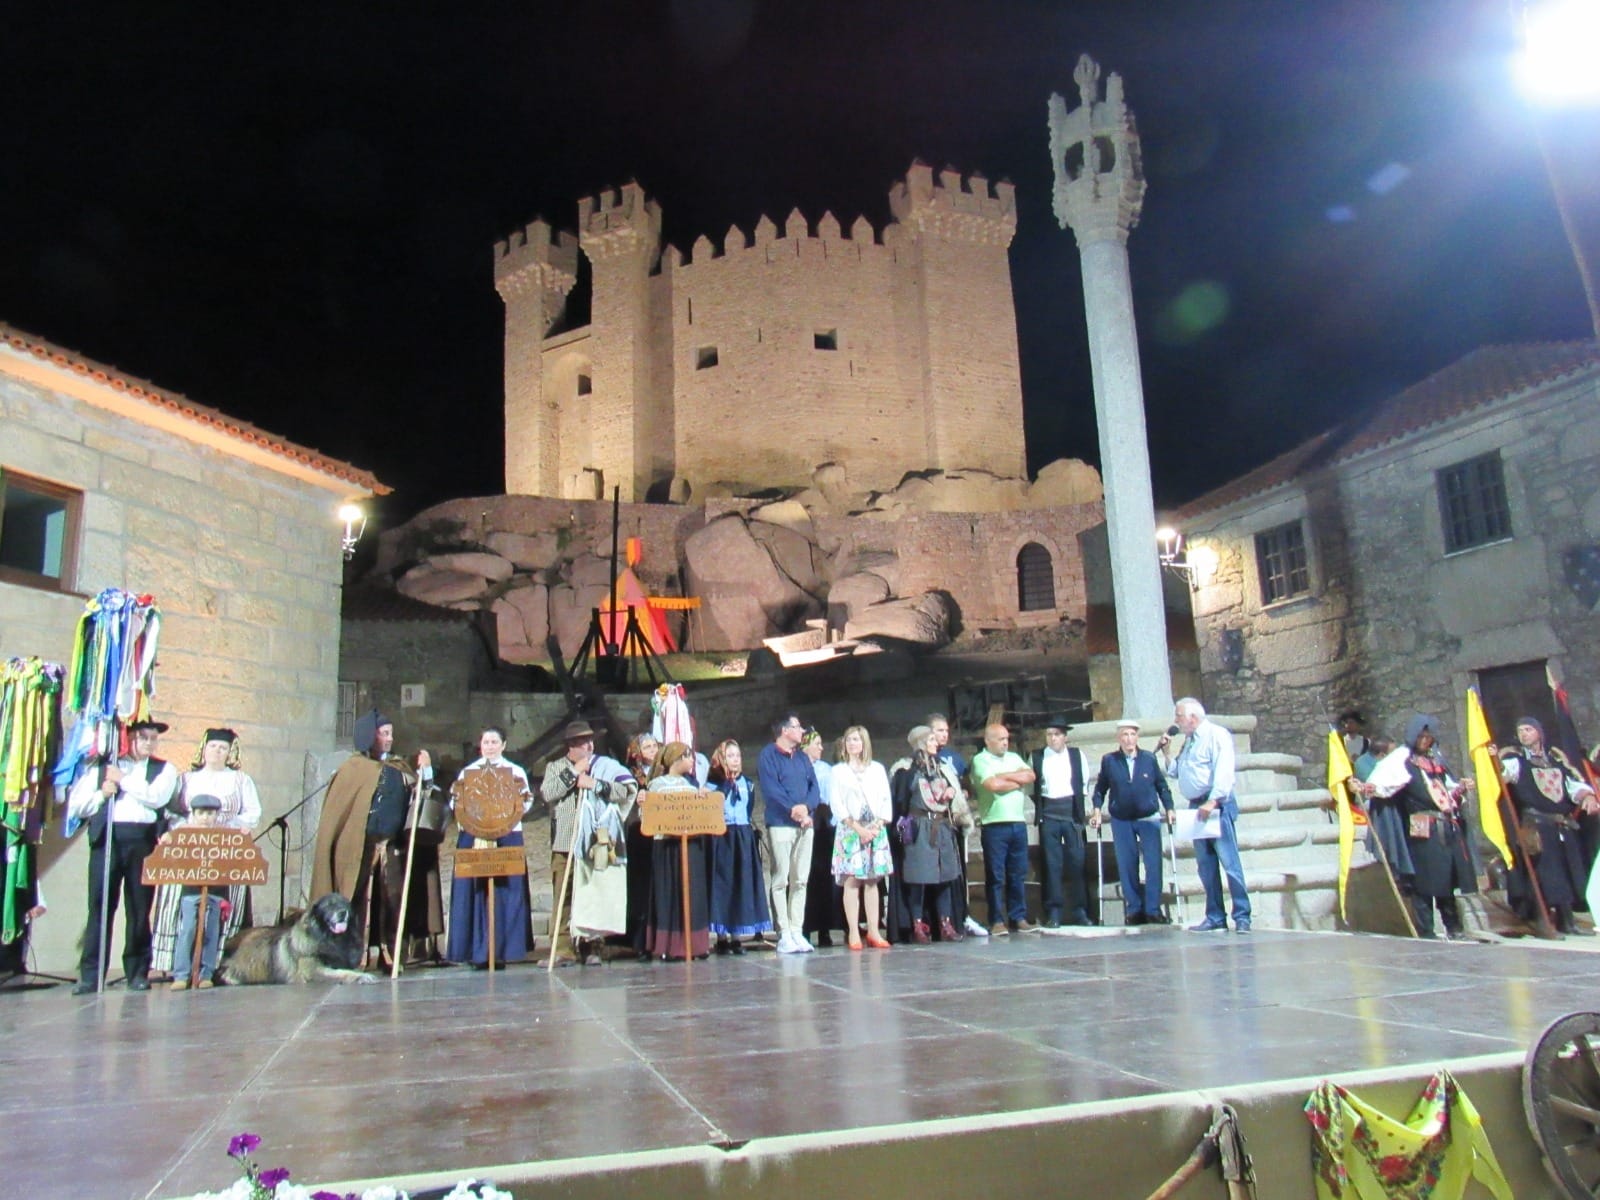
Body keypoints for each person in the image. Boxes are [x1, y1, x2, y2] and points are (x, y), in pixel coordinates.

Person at [66, 717, 182, 993]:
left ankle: (137, 971)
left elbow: (156, 797)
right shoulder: (103, 768)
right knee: (99, 907)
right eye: (143, 737)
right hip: (108, 838)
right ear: (128, 738)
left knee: (139, 908)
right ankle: (91, 974)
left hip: (142, 840)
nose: (149, 743)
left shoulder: (164, 769)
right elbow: (78, 806)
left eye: (153, 738)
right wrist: (102, 794)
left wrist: (124, 780)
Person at [310, 710, 434, 966]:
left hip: (391, 847)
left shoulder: (399, 768)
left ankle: (390, 955)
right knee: (355, 899)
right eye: (384, 734)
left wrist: (426, 771)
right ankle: (353, 954)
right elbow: (338, 815)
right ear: (370, 736)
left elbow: (422, 797)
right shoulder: (352, 769)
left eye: (391, 733)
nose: (390, 739)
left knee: (391, 902)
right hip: (358, 847)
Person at [151, 728, 262, 982]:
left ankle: (215, 966)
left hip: (224, 849)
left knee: (218, 907)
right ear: (204, 748)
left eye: (223, 748)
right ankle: (179, 967)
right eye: (213, 746)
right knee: (186, 907)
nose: (217, 751)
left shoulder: (240, 780)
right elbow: (173, 812)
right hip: (190, 850)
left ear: (230, 752)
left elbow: (252, 812)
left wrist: (230, 826)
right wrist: (187, 828)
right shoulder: (186, 779)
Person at [1364, 714, 1477, 940]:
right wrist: (1369, 788)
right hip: (1421, 829)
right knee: (1423, 882)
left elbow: (1446, 791)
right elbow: (1385, 784)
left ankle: (1453, 927)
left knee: (1446, 879)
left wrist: (1460, 789)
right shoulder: (1402, 760)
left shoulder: (1436, 762)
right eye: (1421, 736)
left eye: (1429, 736)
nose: (1425, 740)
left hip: (1445, 826)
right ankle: (1426, 931)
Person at [539, 721, 637, 966]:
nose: (590, 746)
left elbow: (623, 792)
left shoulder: (603, 767)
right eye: (584, 742)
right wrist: (574, 773)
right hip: (565, 842)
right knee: (564, 895)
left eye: (591, 741)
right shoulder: (556, 767)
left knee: (593, 894)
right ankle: (562, 948)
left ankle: (592, 945)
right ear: (572, 746)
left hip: (594, 843)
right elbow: (548, 793)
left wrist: (595, 784)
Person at [1497, 717, 1596, 935]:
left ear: (1539, 732)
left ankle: (1567, 921)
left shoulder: (1556, 761)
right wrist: (1495, 762)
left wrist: (1587, 795)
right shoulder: (1517, 762)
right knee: (1546, 875)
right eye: (1520, 731)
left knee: (1567, 871)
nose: (1524, 734)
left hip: (1561, 825)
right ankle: (1544, 921)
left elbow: (1574, 785)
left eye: (1528, 729)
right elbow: (1501, 775)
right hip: (1537, 827)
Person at [446, 727, 535, 967]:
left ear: (503, 745)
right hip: (475, 835)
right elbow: (456, 802)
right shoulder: (468, 772)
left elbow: (526, 801)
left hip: (507, 834)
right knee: (475, 892)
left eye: (495, 742)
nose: (490, 746)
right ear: (480, 745)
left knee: (506, 892)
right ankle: (474, 949)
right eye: (486, 742)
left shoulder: (515, 772)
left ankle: (505, 948)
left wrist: (504, 815)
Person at [1162, 698, 1252, 933]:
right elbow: (1177, 771)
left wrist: (1213, 800)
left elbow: (1224, 769)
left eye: (1179, 716)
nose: (1176, 721)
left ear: (1193, 717)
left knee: (1229, 863)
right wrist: (1167, 752)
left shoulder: (1216, 735)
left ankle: (1242, 915)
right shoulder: (1189, 741)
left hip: (1215, 805)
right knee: (1205, 865)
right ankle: (1215, 916)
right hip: (1197, 807)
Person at [1090, 719, 1175, 927]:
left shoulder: (1148, 758)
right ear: (1119, 738)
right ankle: (1134, 909)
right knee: (1127, 864)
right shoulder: (1110, 760)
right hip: (1122, 819)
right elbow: (1101, 788)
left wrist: (1169, 807)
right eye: (1125, 735)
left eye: (1132, 734)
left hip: (1148, 817)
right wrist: (1096, 810)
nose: (1129, 739)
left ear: (1137, 737)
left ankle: (1153, 909)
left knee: (1153, 864)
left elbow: (1161, 785)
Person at [891, 725, 971, 942]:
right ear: (921, 742)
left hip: (942, 826)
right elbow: (901, 802)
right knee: (918, 878)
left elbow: (955, 796)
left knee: (945, 877)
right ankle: (917, 924)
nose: (936, 743)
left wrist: (952, 792)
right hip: (919, 828)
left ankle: (946, 923)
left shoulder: (941, 768)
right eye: (932, 739)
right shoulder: (906, 770)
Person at [642, 741, 712, 960]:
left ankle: (695, 944)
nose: (692, 761)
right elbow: (649, 815)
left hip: (690, 844)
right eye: (688, 757)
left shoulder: (691, 786)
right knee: (671, 893)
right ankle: (671, 945)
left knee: (692, 893)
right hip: (667, 846)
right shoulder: (657, 785)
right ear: (677, 759)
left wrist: (704, 801)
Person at [758, 713, 820, 954]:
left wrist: (807, 808)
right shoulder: (768, 755)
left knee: (800, 880)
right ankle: (783, 932)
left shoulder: (802, 757)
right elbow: (771, 789)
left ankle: (796, 929)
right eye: (797, 726)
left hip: (805, 825)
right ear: (785, 730)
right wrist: (792, 809)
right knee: (781, 879)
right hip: (781, 824)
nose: (802, 730)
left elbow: (814, 786)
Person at [970, 723, 1038, 936]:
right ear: (988, 741)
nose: (1005, 743)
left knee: (1018, 873)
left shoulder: (1014, 757)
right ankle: (997, 919)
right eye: (1000, 739)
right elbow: (992, 785)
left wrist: (1003, 776)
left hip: (1017, 823)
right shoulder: (981, 759)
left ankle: (1018, 916)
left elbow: (1030, 776)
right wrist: (1016, 780)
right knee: (996, 875)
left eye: (1007, 739)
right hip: (994, 824)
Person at [829, 726, 894, 950]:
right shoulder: (838, 771)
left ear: (864, 742)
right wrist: (858, 828)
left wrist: (876, 826)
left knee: (872, 881)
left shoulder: (877, 769)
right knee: (852, 881)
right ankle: (854, 932)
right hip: (851, 831)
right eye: (848, 740)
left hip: (874, 829)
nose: (852, 744)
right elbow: (837, 803)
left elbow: (885, 799)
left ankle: (874, 931)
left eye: (856, 740)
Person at [707, 739, 772, 954]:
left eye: (737, 756)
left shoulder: (748, 784)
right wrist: (726, 783)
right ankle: (722, 937)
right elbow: (714, 806)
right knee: (723, 884)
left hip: (742, 836)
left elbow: (748, 807)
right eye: (730, 756)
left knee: (740, 883)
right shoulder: (712, 784)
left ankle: (736, 936)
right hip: (722, 836)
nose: (735, 760)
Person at [928, 711, 985, 938]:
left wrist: (963, 791)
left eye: (946, 731)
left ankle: (962, 916)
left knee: (959, 872)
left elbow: (966, 784)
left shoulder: (953, 758)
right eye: (938, 730)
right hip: (934, 824)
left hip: (954, 822)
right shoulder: (922, 759)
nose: (943, 735)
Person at [1032, 716, 1091, 927]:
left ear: (1065, 737)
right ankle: (1054, 912)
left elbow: (1083, 783)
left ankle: (1080, 910)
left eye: (1057, 734)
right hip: (1049, 815)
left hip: (1071, 814)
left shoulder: (1076, 755)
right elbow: (1033, 787)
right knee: (1052, 865)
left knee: (1077, 863)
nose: (1053, 738)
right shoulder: (1038, 757)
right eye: (1049, 734)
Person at [168, 793, 227, 990]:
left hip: (216, 888)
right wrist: (169, 839)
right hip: (191, 888)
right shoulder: (184, 832)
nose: (205, 818)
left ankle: (206, 973)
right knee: (187, 930)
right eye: (201, 813)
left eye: (210, 814)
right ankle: (181, 974)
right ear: (193, 814)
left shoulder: (223, 834)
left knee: (212, 931)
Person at [802, 728, 843, 947]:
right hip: (804, 827)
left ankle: (825, 929)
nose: (820, 747)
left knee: (824, 880)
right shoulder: (797, 767)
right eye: (816, 743)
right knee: (805, 879)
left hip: (824, 828)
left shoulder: (826, 770)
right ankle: (804, 928)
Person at [623, 732, 660, 956]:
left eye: (654, 745)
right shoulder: (631, 775)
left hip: (660, 832)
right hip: (639, 833)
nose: (652, 750)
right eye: (647, 747)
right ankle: (640, 940)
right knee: (641, 887)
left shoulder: (664, 772)